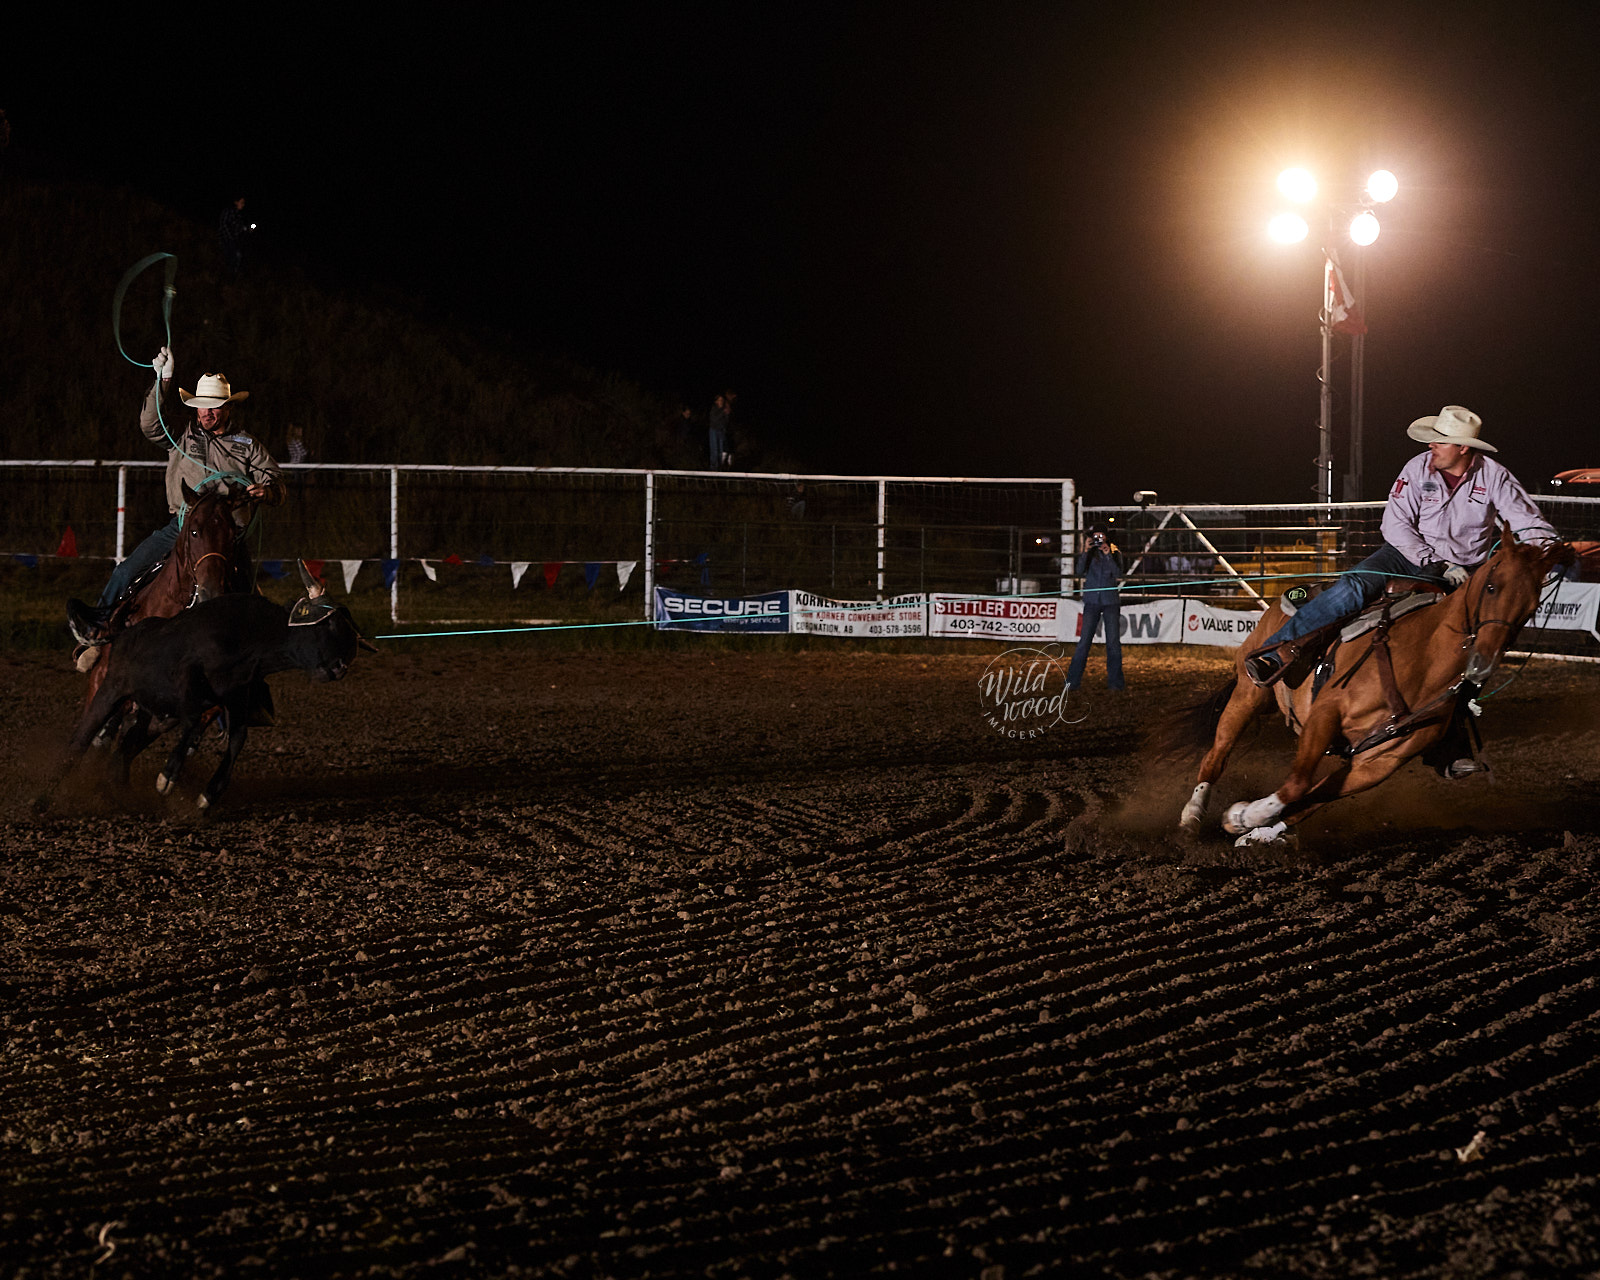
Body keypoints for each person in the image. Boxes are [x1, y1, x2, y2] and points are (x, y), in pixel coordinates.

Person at [1244, 405, 1559, 686]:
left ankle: (1454, 710)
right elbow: (1394, 524)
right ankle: (1276, 652)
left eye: (1440, 440)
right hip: (1406, 556)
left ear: (1463, 448)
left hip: (1467, 570)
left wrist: (1553, 552)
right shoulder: (1417, 468)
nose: (1431, 444)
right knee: (1354, 586)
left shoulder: (1495, 477)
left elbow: (1528, 522)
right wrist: (1433, 561)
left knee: (1486, 627)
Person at [67, 348, 285, 657]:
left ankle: (255, 654)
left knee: (247, 595)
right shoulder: (182, 435)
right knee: (125, 572)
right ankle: (98, 631)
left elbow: (276, 481)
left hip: (226, 534)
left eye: (214, 408)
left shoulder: (247, 445)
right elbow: (149, 424)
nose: (206, 414)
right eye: (201, 407)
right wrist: (163, 379)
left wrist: (268, 492)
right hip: (183, 525)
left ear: (227, 407)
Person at [1066, 525, 1125, 692]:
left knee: (1113, 642)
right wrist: (1085, 550)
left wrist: (1107, 556)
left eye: (1101, 536)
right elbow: (1078, 571)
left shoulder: (1114, 552)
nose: (1099, 539)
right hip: (1092, 602)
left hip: (1110, 602)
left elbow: (1118, 574)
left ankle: (1116, 684)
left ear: (1106, 537)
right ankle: (1072, 682)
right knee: (1084, 642)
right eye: (1096, 536)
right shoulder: (1089, 554)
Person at [219, 196, 251, 277]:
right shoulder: (228, 211)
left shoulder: (239, 215)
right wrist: (230, 238)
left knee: (237, 257)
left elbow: (240, 228)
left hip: (235, 241)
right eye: (242, 202)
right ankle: (228, 275)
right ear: (236, 202)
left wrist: (247, 229)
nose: (243, 205)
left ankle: (232, 275)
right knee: (234, 256)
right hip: (226, 240)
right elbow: (224, 224)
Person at [709, 392, 730, 469]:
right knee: (714, 449)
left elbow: (726, 422)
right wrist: (723, 412)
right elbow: (714, 419)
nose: (721, 402)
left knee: (720, 451)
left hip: (721, 431)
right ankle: (713, 467)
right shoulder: (714, 409)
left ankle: (720, 467)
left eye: (722, 400)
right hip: (714, 430)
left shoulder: (724, 409)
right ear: (716, 401)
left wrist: (727, 414)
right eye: (719, 400)